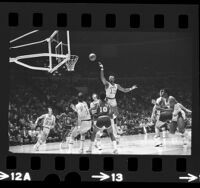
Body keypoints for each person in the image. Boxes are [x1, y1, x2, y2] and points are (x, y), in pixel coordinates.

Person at [98, 62, 137, 143]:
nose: (111, 78)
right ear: (109, 79)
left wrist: (132, 88)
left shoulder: (116, 85)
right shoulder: (107, 84)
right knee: (111, 117)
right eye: (110, 77)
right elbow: (102, 78)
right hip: (108, 100)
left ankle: (113, 130)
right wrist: (102, 69)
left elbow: (124, 90)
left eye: (112, 77)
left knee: (115, 116)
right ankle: (110, 133)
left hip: (114, 100)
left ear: (114, 79)